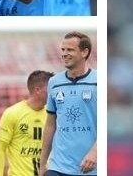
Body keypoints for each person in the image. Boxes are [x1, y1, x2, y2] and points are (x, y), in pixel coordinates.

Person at [39, 32, 97, 176]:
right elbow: (50, 124)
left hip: (89, 167)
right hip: (58, 166)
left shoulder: (98, 81)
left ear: (85, 52)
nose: (64, 54)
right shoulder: (54, 83)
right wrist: (42, 164)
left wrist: (95, 152)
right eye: (63, 50)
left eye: (70, 50)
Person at [0, 70, 54, 176]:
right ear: (38, 90)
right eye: (50, 88)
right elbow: (0, 150)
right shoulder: (12, 113)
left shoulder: (52, 115)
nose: (53, 92)